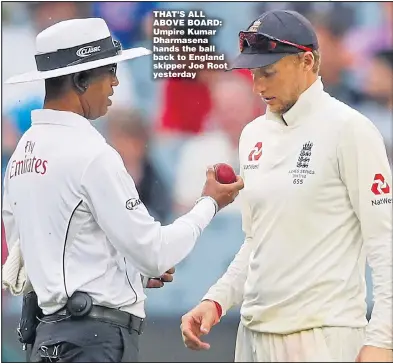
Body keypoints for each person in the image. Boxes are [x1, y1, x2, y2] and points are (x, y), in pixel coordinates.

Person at [2, 18, 244, 362]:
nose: (115, 82)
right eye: (108, 71)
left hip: (47, 338)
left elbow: (30, 258)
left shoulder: (22, 154)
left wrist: (126, 273)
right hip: (93, 340)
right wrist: (209, 203)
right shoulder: (91, 153)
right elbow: (155, 253)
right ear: (81, 79)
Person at [180, 10, 392, 363]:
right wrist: (216, 299)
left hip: (325, 337)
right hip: (253, 336)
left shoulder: (350, 130)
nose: (258, 86)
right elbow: (257, 241)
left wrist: (383, 339)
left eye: (269, 73)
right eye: (253, 74)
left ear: (307, 61)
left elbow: (385, 244)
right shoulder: (252, 136)